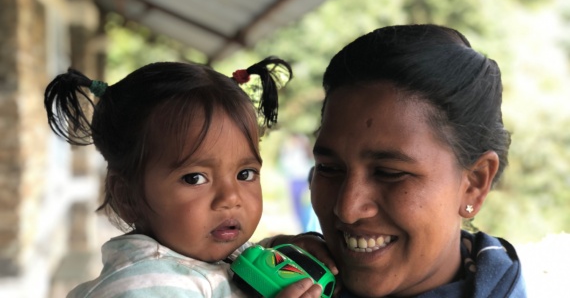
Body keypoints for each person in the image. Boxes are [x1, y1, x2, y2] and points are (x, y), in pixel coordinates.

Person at [44, 57, 326, 297]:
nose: (231, 198)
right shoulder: (147, 286)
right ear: (127, 196)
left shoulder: (203, 253)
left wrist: (277, 248)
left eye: (245, 173)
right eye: (195, 178)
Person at [283, 24, 526, 297]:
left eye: (389, 172)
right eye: (329, 169)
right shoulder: (273, 278)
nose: (347, 208)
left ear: (474, 183)